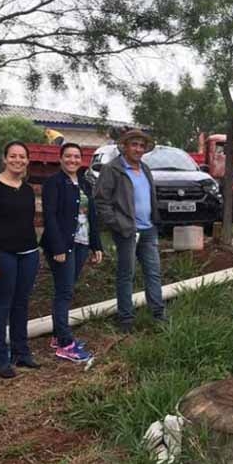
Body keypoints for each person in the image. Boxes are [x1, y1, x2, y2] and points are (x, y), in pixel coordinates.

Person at [0, 141, 40, 379]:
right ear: (5, 159)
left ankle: (21, 352)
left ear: (27, 160)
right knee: (1, 306)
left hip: (28, 254)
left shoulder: (26, 189)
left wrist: (34, 250)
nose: (17, 160)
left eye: (22, 157)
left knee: (21, 304)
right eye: (13, 156)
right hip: (3, 256)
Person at [94, 129, 166, 333]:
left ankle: (158, 315)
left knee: (154, 273)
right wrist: (117, 223)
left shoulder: (145, 169)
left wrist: (155, 219)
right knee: (127, 275)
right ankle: (126, 319)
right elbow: (101, 201)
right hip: (127, 231)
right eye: (134, 145)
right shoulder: (112, 169)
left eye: (142, 146)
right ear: (125, 146)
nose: (138, 149)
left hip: (148, 229)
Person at [40, 143, 103, 363]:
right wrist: (57, 248)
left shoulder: (85, 183)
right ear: (61, 158)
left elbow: (92, 216)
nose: (72, 160)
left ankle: (59, 336)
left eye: (76, 157)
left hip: (82, 244)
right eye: (68, 156)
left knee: (66, 289)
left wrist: (96, 246)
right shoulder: (53, 184)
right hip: (63, 246)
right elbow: (50, 217)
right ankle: (65, 345)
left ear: (81, 160)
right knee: (64, 293)